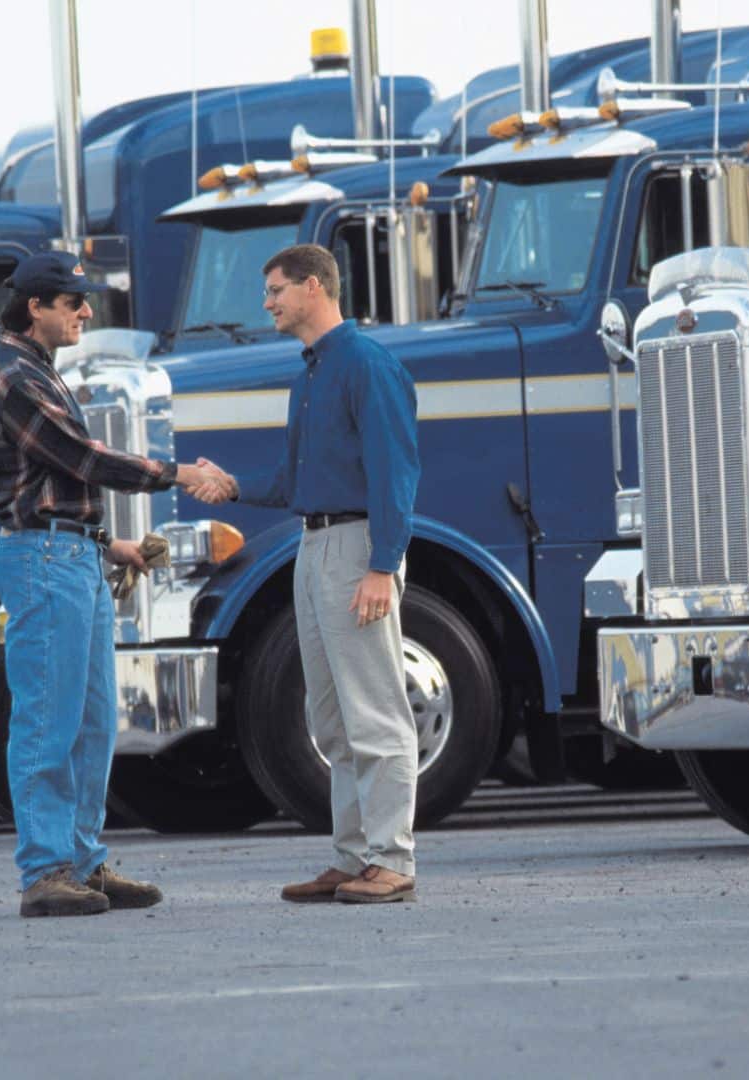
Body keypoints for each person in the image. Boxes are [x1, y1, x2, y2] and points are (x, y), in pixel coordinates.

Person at [0, 251, 228, 917]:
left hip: (69, 556)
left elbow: (53, 483)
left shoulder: (33, 369)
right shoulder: (11, 376)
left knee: (90, 721)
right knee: (47, 721)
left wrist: (105, 542)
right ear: (36, 306)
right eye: (73, 302)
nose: (86, 312)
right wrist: (178, 474)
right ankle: (45, 871)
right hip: (45, 562)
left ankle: (81, 860)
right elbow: (81, 459)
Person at [193, 243, 421, 904]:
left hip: (356, 549)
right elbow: (295, 480)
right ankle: (355, 858)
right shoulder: (311, 375)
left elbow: (396, 474)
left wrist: (382, 566)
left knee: (375, 713)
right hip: (314, 546)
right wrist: (230, 485)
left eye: (275, 290)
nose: (267, 303)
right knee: (332, 720)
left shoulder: (366, 365)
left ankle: (393, 861)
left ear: (315, 287)